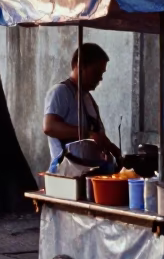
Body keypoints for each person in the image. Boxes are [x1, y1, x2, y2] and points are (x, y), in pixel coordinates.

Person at [43, 42, 121, 170]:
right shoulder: (61, 92)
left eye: (102, 73)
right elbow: (49, 127)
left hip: (90, 168)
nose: (100, 78)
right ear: (79, 66)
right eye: (96, 72)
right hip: (67, 170)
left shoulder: (88, 99)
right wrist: (88, 134)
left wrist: (113, 149)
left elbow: (97, 135)